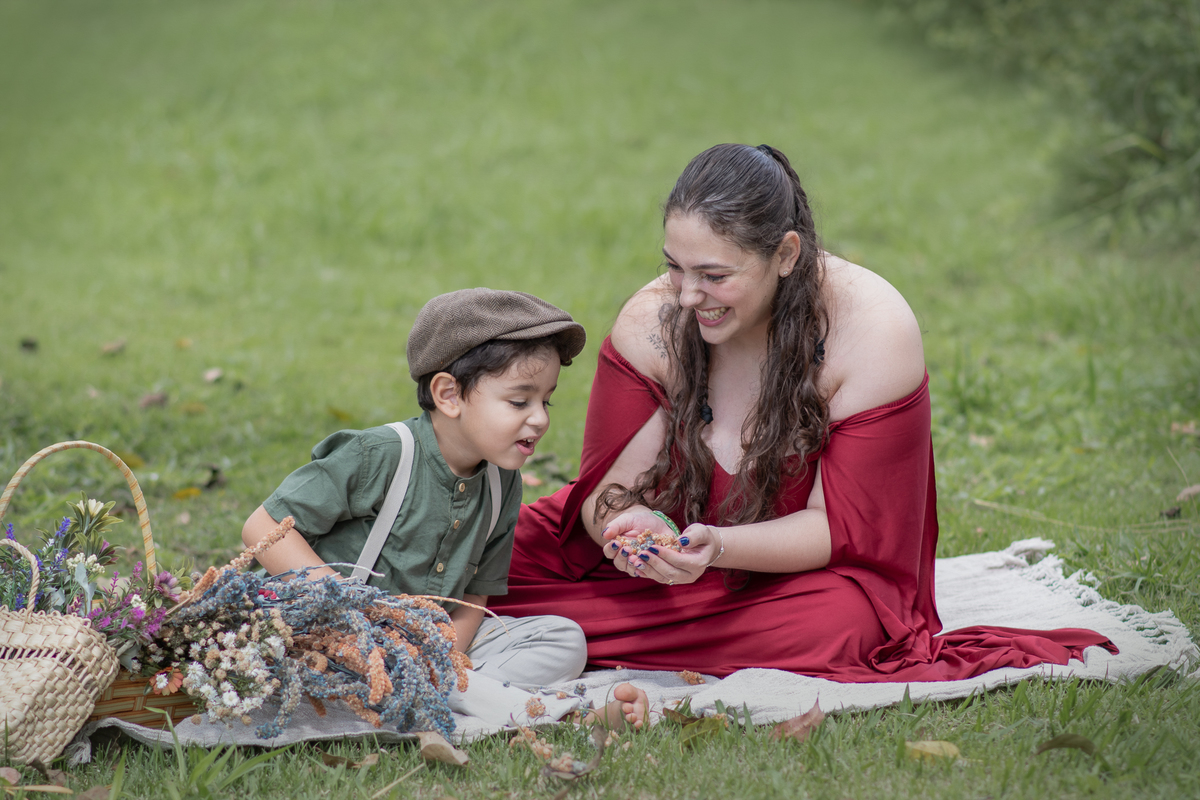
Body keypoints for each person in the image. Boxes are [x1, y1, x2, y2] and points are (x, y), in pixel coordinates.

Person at [490, 144, 1115, 681]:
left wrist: (717, 548)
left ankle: (545, 634)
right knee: (483, 543)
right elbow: (606, 495)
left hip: (788, 580)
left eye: (713, 275)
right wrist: (630, 533)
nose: (685, 296)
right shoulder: (653, 320)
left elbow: (841, 532)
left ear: (786, 254)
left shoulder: (872, 329)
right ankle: (552, 629)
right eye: (674, 267)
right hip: (654, 573)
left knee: (843, 624)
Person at [241, 288, 596, 691]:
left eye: (546, 402)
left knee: (563, 639)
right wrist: (347, 612)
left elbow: (475, 596)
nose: (540, 420)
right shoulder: (378, 455)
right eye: (519, 402)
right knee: (286, 664)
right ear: (448, 395)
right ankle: (452, 698)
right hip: (329, 635)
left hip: (428, 643)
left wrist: (445, 658)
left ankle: (427, 692)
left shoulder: (502, 481)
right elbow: (263, 528)